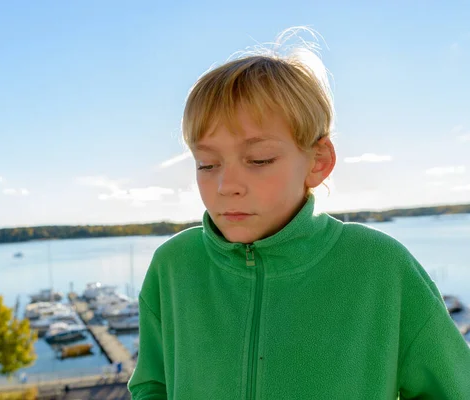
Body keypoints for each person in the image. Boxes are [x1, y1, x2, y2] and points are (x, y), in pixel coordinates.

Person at [127, 28, 470, 399]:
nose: (226, 185)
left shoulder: (380, 267)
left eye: (259, 160)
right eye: (207, 164)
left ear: (318, 162)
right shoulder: (173, 266)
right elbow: (152, 385)